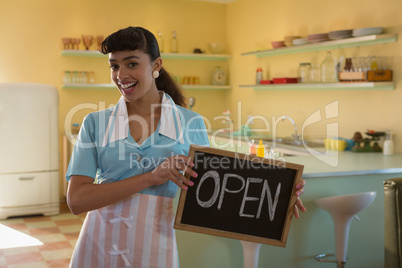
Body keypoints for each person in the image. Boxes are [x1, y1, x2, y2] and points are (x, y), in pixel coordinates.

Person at [66, 26, 306, 268]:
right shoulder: (95, 123)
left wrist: (277, 195)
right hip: (98, 245)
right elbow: (76, 200)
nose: (121, 75)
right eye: (114, 66)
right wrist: (150, 177)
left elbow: (217, 191)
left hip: (155, 244)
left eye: (131, 64)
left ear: (156, 65)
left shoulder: (191, 123)